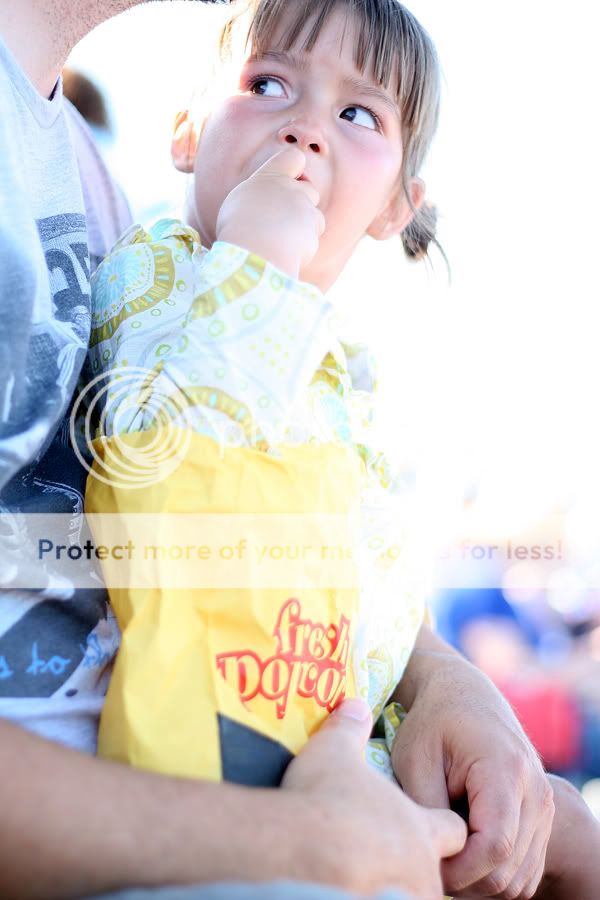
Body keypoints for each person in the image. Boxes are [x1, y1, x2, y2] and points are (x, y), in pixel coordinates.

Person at [0, 1, 554, 898]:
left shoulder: (328, 355)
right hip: (204, 772)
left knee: (564, 839)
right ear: (186, 134)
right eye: (267, 85)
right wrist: (258, 267)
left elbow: (347, 569)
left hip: (319, 745)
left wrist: (444, 683)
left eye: (358, 113)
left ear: (399, 205)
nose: (305, 127)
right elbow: (175, 477)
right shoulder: (163, 270)